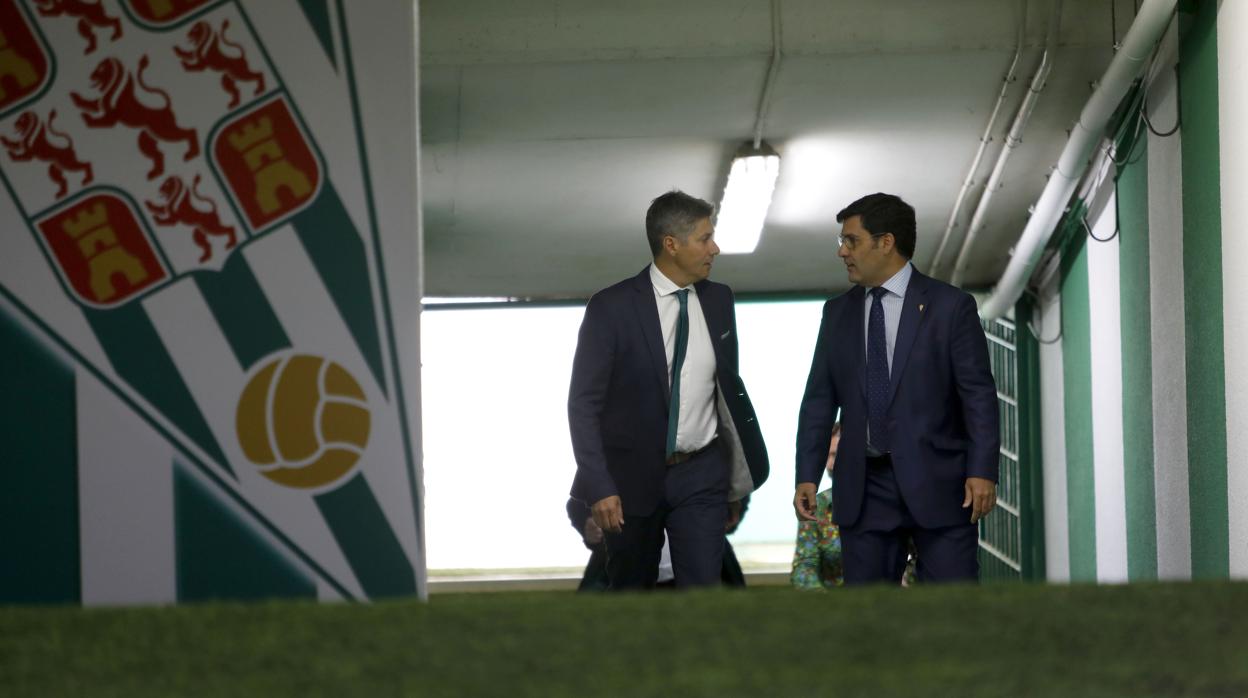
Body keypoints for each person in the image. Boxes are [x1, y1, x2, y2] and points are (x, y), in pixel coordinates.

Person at [793, 193, 999, 584]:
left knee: (952, 606)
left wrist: (983, 470)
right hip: (864, 487)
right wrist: (807, 475)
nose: (842, 252)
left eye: (851, 240)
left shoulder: (950, 306)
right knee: (869, 611)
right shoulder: (837, 313)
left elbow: (978, 396)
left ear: (885, 242)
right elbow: (819, 400)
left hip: (942, 483)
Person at [568, 190, 769, 590]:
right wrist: (599, 485)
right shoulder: (611, 307)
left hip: (701, 472)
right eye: (705, 238)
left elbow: (724, 390)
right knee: (632, 594)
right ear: (671, 244)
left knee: (703, 593)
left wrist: (732, 479)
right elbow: (583, 405)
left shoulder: (719, 299)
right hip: (630, 476)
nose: (715, 248)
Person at [790, 424, 917, 589]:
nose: (831, 465)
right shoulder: (818, 506)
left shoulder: (895, 501)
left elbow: (922, 554)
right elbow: (805, 564)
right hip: (833, 600)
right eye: (828, 456)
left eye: (837, 455)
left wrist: (906, 583)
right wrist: (822, 598)